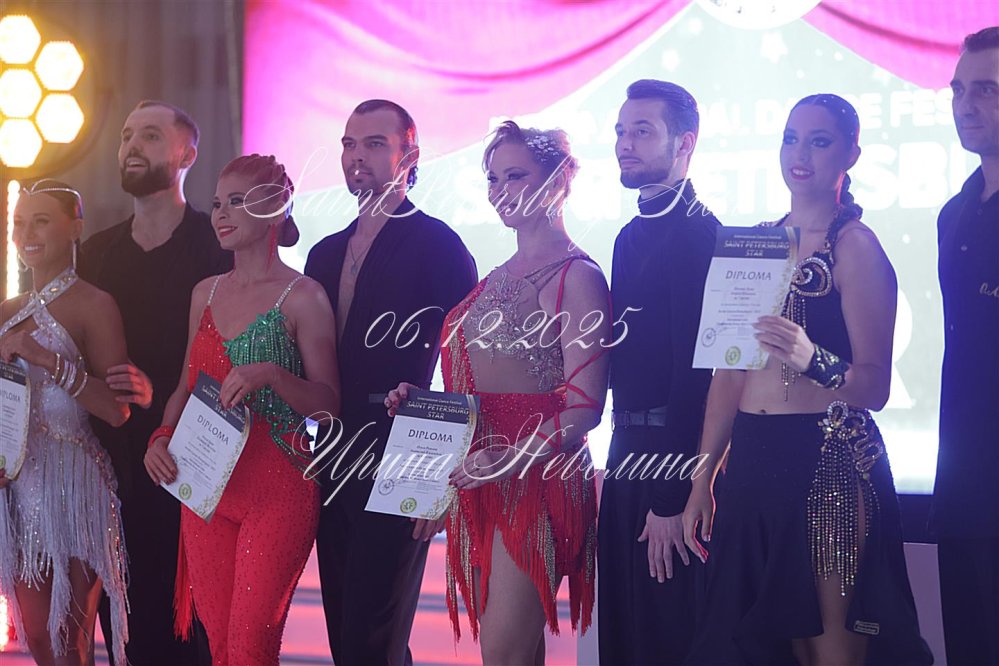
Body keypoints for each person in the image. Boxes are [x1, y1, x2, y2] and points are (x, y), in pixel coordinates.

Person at [683, 94, 932, 665]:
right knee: (752, 647)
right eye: (791, 139)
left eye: (819, 142)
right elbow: (728, 376)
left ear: (851, 154)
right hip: (751, 463)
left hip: (826, 462)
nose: (800, 154)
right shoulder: (753, 244)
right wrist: (702, 480)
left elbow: (874, 387)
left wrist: (810, 356)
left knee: (831, 652)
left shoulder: (857, 248)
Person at [387, 120, 610, 665]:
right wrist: (422, 406)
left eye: (516, 175)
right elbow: (480, 385)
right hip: (480, 471)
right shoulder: (496, 276)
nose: (500, 189)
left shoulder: (577, 277)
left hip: (537, 476)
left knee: (503, 654)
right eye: (493, 177)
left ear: (559, 180)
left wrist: (508, 457)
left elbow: (585, 407)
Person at [143, 154, 340, 665]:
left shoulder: (304, 297)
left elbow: (329, 407)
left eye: (237, 201)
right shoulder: (204, 292)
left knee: (252, 649)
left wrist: (273, 374)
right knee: (222, 649)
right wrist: (161, 436)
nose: (221, 214)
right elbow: (184, 388)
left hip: (278, 491)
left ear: (275, 209)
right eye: (216, 204)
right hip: (204, 485)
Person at [305, 99, 477, 665]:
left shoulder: (440, 246)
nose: (357, 156)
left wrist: (441, 481)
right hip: (332, 447)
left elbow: (463, 369)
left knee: (372, 635)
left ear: (410, 156)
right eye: (349, 145)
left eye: (375, 144)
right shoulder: (324, 253)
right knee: (345, 635)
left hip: (406, 447)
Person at [79, 100, 232, 665]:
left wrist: (160, 392)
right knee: (123, 631)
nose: (131, 147)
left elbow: (236, 353)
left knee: (189, 633)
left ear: (186, 154)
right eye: (125, 136)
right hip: (108, 466)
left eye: (149, 135)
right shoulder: (95, 253)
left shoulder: (215, 247)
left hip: (192, 463)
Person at [597, 79, 720, 665]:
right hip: (625, 454)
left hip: (671, 464)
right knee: (624, 639)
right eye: (621, 131)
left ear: (684, 143)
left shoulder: (699, 233)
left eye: (642, 131)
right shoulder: (629, 236)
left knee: (664, 640)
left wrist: (672, 494)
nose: (625, 144)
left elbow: (697, 375)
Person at [0, 181, 131, 665]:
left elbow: (116, 409)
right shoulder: (6, 312)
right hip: (18, 487)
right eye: (19, 223)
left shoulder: (95, 305)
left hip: (73, 487)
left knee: (69, 638)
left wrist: (45, 359)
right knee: (36, 636)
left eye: (41, 221)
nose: (27, 234)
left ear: (75, 228)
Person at [934, 25, 999, 666]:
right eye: (958, 90)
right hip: (963, 477)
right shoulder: (954, 211)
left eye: (986, 90)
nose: (966, 105)